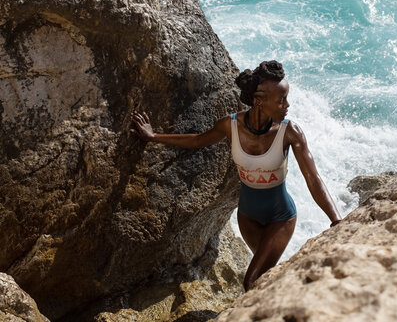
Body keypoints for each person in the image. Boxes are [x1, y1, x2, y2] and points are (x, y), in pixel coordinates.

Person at [130, 60, 342, 291]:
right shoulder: (230, 125)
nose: (287, 105)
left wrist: (337, 220)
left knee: (251, 282)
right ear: (259, 101)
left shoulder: (290, 131)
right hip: (247, 218)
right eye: (281, 99)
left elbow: (313, 178)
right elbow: (197, 140)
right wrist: (153, 136)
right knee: (267, 277)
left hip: (281, 217)